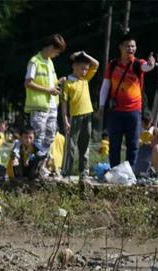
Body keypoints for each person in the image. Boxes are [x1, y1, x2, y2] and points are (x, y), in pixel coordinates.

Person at [98, 34, 156, 167]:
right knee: (114, 143)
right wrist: (101, 106)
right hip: (116, 111)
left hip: (134, 111)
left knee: (133, 143)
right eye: (127, 46)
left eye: (133, 46)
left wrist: (151, 64)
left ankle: (131, 172)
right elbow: (105, 86)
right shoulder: (112, 65)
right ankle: (115, 170)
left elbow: (147, 67)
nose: (131, 49)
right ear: (120, 47)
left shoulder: (138, 63)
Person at [24, 34, 66, 155]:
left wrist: (59, 82)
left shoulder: (50, 62)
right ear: (51, 47)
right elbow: (28, 83)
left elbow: (51, 84)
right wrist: (48, 90)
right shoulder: (34, 61)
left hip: (52, 105)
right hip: (39, 106)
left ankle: (42, 166)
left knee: (50, 136)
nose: (56, 55)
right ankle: (33, 166)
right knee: (38, 136)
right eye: (56, 52)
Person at [61, 50, 99, 179]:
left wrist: (84, 54)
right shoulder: (68, 82)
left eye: (86, 69)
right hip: (74, 116)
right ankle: (67, 170)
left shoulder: (85, 80)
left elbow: (96, 64)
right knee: (70, 145)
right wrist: (65, 119)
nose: (84, 71)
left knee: (85, 143)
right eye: (82, 68)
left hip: (87, 115)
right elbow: (64, 103)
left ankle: (84, 170)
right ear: (74, 66)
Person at [134, 111, 157, 175]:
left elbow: (157, 141)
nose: (145, 125)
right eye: (143, 123)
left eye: (147, 123)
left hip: (150, 152)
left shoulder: (154, 130)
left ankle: (145, 171)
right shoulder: (138, 130)